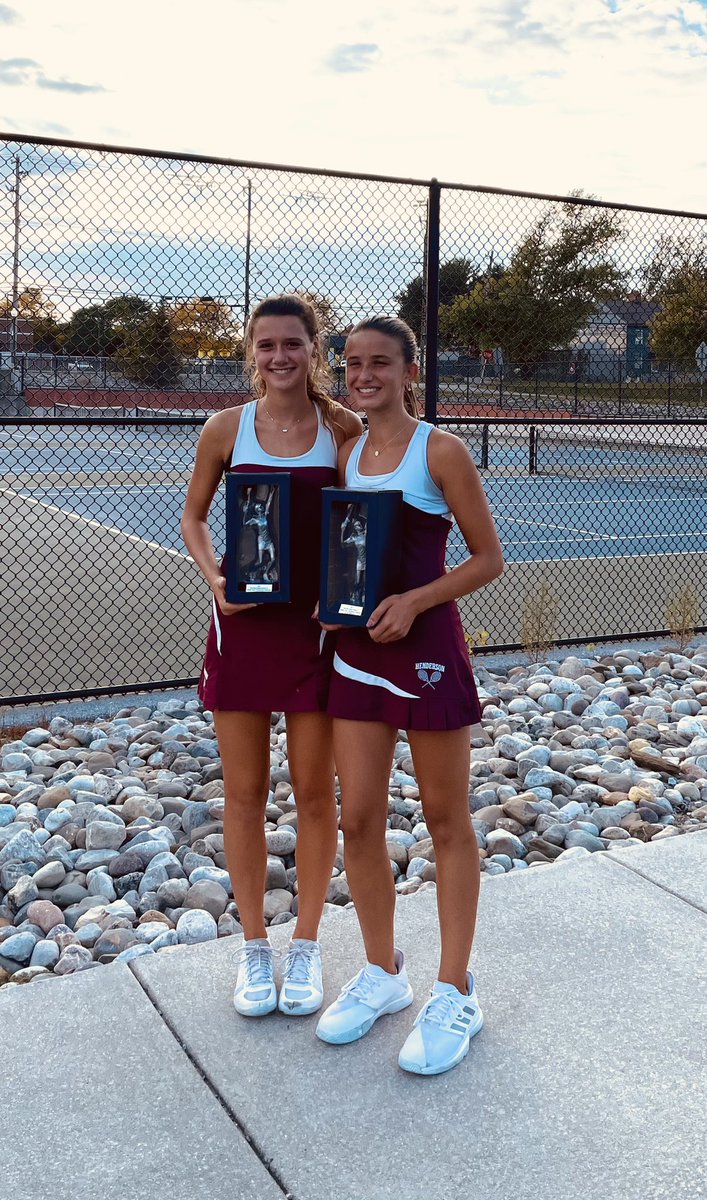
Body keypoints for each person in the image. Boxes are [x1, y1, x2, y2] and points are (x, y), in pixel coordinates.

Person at [315, 315, 504, 1075]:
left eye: (379, 363)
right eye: (352, 364)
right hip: (355, 656)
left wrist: (417, 601)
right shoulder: (347, 450)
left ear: (407, 369)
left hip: (424, 652)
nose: (363, 375)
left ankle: (456, 989)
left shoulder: (442, 450)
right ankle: (383, 973)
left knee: (444, 819)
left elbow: (488, 560)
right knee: (358, 819)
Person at [181, 294, 362, 1019]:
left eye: (293, 344)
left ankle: (308, 942)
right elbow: (195, 516)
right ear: (250, 353)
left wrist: (348, 594)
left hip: (314, 634)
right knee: (246, 794)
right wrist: (215, 580)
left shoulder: (342, 428)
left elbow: (360, 525)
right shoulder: (225, 428)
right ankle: (254, 947)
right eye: (266, 346)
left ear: (315, 349)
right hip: (245, 629)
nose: (280, 357)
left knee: (316, 793)